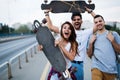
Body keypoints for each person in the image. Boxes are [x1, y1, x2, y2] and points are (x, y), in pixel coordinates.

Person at [44, 7, 97, 80]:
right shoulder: (66, 30)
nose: (76, 21)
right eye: (74, 20)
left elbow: (98, 24)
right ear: (72, 21)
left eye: (78, 19)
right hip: (65, 65)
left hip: (78, 65)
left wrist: (91, 12)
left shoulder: (86, 32)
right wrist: (46, 13)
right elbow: (50, 27)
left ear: (82, 21)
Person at [87, 14, 120, 80]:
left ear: (104, 22)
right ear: (94, 24)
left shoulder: (113, 34)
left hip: (110, 69)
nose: (98, 23)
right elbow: (89, 54)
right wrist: (90, 43)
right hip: (96, 67)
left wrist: (113, 41)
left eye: (100, 21)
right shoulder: (92, 37)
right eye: (96, 22)